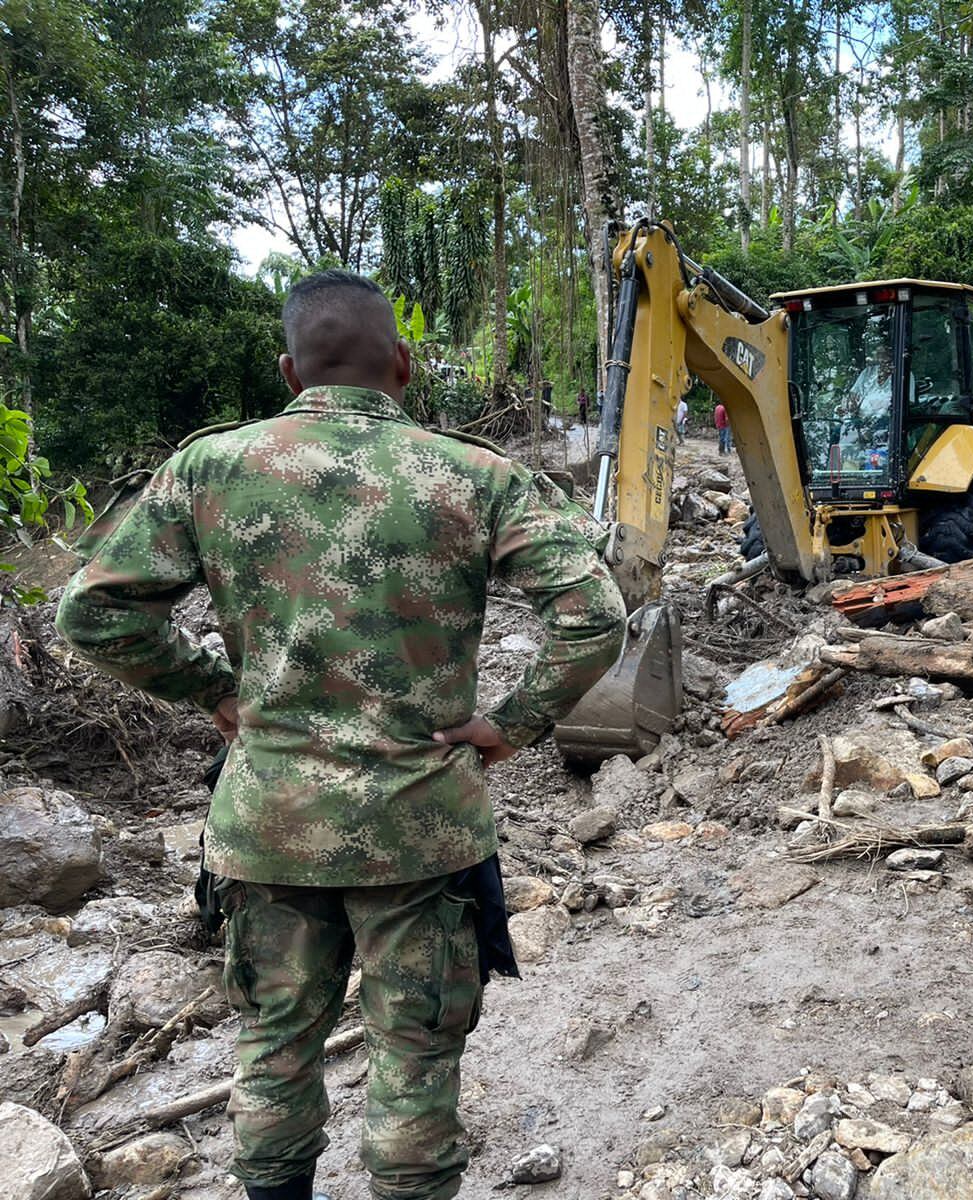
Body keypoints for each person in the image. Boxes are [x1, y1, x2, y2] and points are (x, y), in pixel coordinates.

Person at [54, 269, 627, 1200]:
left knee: (274, 1043)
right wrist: (511, 726)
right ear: (402, 364)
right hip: (421, 826)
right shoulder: (476, 476)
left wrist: (214, 690)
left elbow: (96, 616)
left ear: (289, 370)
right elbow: (595, 616)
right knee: (416, 1055)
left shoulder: (210, 468)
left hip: (269, 822)